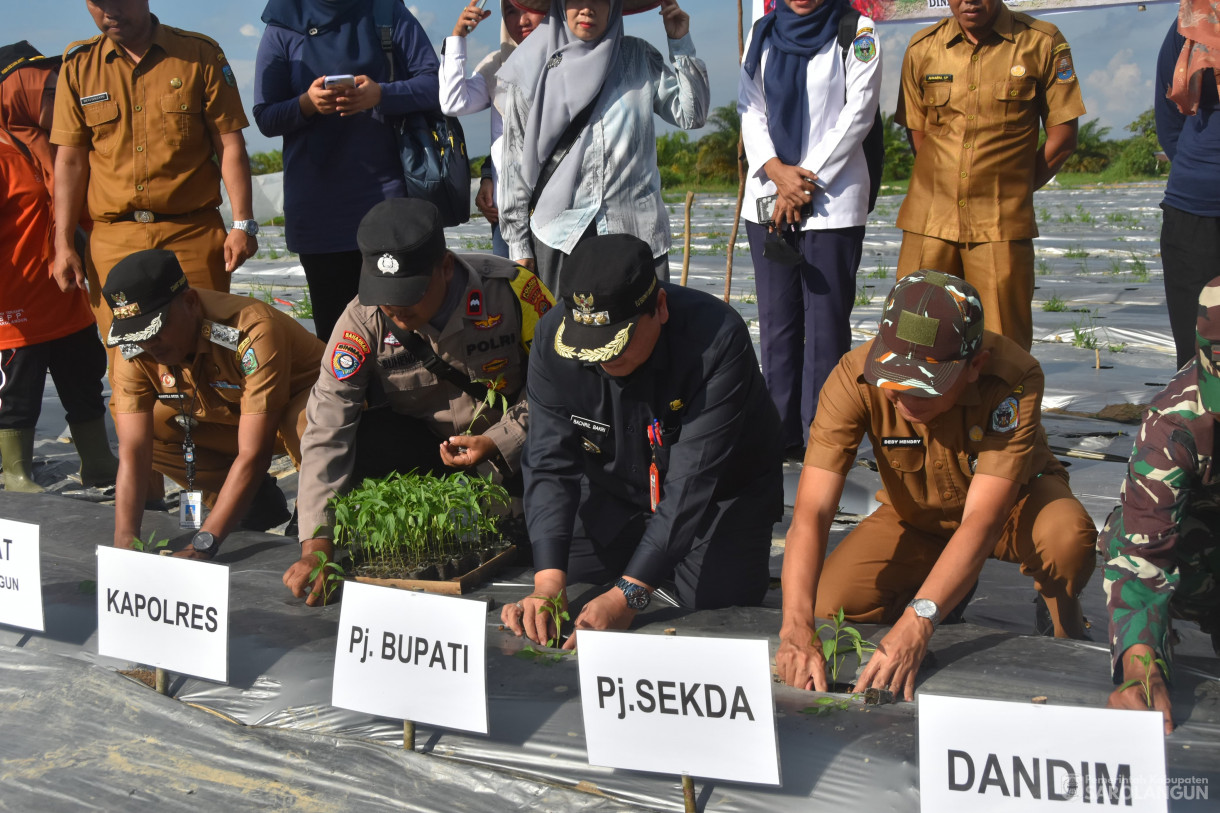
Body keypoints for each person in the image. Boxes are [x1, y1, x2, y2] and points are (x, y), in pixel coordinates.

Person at [776, 271, 1096, 699]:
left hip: (1009, 510)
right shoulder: (853, 378)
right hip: (918, 516)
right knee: (830, 602)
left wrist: (918, 622)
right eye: (894, 383)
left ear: (973, 367)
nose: (904, 400)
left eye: (924, 390)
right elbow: (812, 512)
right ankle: (946, 586)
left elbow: (983, 519)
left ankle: (1061, 617)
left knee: (1065, 540)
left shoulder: (1012, 378)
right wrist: (796, 626)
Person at [501, 233, 784, 649]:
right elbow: (548, 460)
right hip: (617, 486)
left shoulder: (717, 339)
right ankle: (646, 558)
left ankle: (653, 563)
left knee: (718, 598)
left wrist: (628, 595)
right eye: (589, 351)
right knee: (570, 572)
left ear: (661, 309)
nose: (600, 360)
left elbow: (692, 484)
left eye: (615, 347)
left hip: (718, 493)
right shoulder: (551, 339)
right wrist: (546, 585)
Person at [284, 198, 554, 604]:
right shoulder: (361, 321)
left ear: (445, 267)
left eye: (410, 292)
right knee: (361, 438)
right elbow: (327, 427)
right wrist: (317, 545)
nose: (395, 307)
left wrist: (501, 439)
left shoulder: (515, 291)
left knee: (538, 533)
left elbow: (563, 390)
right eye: (385, 293)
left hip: (517, 447)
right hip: (431, 451)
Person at [50, 0, 258, 348]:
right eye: (98, 3)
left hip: (191, 235)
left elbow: (229, 145)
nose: (110, 11)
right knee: (129, 362)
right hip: (115, 241)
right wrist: (63, 243)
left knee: (208, 352)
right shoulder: (79, 66)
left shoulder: (199, 54)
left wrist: (242, 224)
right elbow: (70, 162)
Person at [105, 249, 324, 559]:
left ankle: (315, 513)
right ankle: (249, 501)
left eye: (155, 330)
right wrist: (125, 545)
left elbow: (254, 453)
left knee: (303, 420)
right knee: (152, 427)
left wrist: (204, 544)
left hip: (292, 423)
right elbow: (133, 449)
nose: (147, 345)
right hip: (233, 420)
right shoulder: (136, 344)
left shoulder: (249, 330)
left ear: (191, 302)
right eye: (138, 335)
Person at [893, 0, 1084, 351]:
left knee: (1001, 348)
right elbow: (917, 132)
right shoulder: (923, 46)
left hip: (1000, 227)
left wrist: (1011, 190)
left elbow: (1062, 138)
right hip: (928, 224)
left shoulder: (1041, 42)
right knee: (914, 343)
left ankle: (997, 409)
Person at [738, 0, 881, 458]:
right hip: (768, 196)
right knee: (776, 325)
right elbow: (750, 107)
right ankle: (779, 436)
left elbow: (858, 114)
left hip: (831, 202)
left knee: (826, 327)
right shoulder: (761, 31)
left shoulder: (856, 30)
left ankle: (825, 437)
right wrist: (777, 172)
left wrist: (803, 179)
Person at [254, 0, 440, 342]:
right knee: (337, 332)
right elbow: (265, 116)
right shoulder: (283, 25)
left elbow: (433, 83)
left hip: (389, 197)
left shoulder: (386, 12)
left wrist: (381, 94)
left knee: (404, 328)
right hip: (319, 206)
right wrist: (307, 104)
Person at [496, 0, 708, 294]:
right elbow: (514, 165)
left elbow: (692, 115)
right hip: (560, 237)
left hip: (637, 233)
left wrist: (680, 42)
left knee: (643, 336)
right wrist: (519, 245)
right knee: (565, 337)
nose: (587, 8)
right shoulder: (532, 68)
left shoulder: (638, 58)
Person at [1098, 276, 1220, 735]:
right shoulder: (1176, 422)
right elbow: (1141, 555)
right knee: (1118, 538)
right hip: (1209, 550)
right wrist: (1141, 668)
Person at [0, 42, 117, 492]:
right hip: (16, 302)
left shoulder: (58, 147)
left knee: (84, 378)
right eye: (44, 90)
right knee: (18, 392)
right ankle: (16, 471)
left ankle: (97, 461)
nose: (54, 99)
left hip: (67, 294)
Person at [440, 0, 545, 258]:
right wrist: (457, 38)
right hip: (507, 215)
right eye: (511, 11)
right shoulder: (498, 67)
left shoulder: (572, 64)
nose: (522, 20)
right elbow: (453, 101)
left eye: (530, 7)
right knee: (512, 294)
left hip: (556, 215)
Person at [1155, 0, 1220, 371]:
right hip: (1194, 214)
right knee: (1200, 358)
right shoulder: (1191, 23)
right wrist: (1203, 173)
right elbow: (1170, 119)